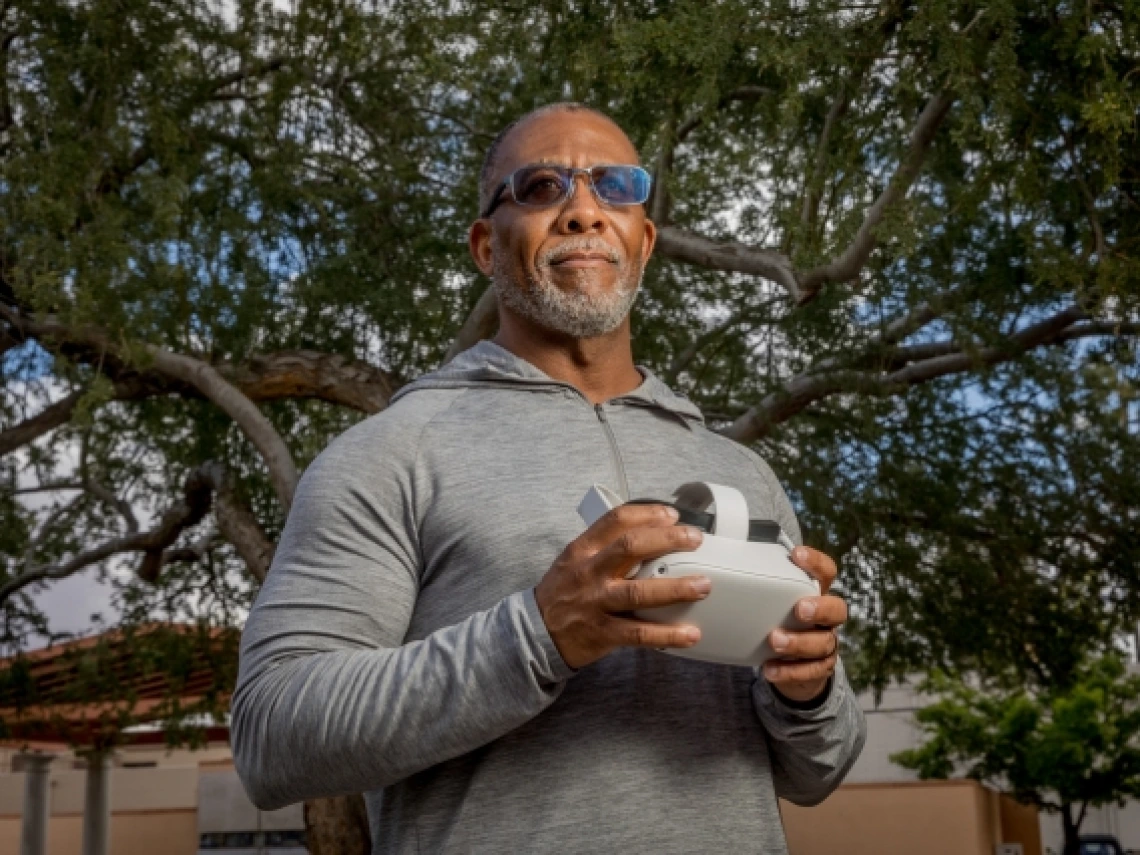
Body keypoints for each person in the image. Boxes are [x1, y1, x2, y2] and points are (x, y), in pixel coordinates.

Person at [232, 102, 866, 854]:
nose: (584, 212)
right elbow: (272, 737)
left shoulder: (739, 473)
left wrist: (808, 687)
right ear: (485, 246)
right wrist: (536, 634)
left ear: (644, 239)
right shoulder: (390, 453)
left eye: (615, 187)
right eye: (539, 187)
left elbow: (816, 770)